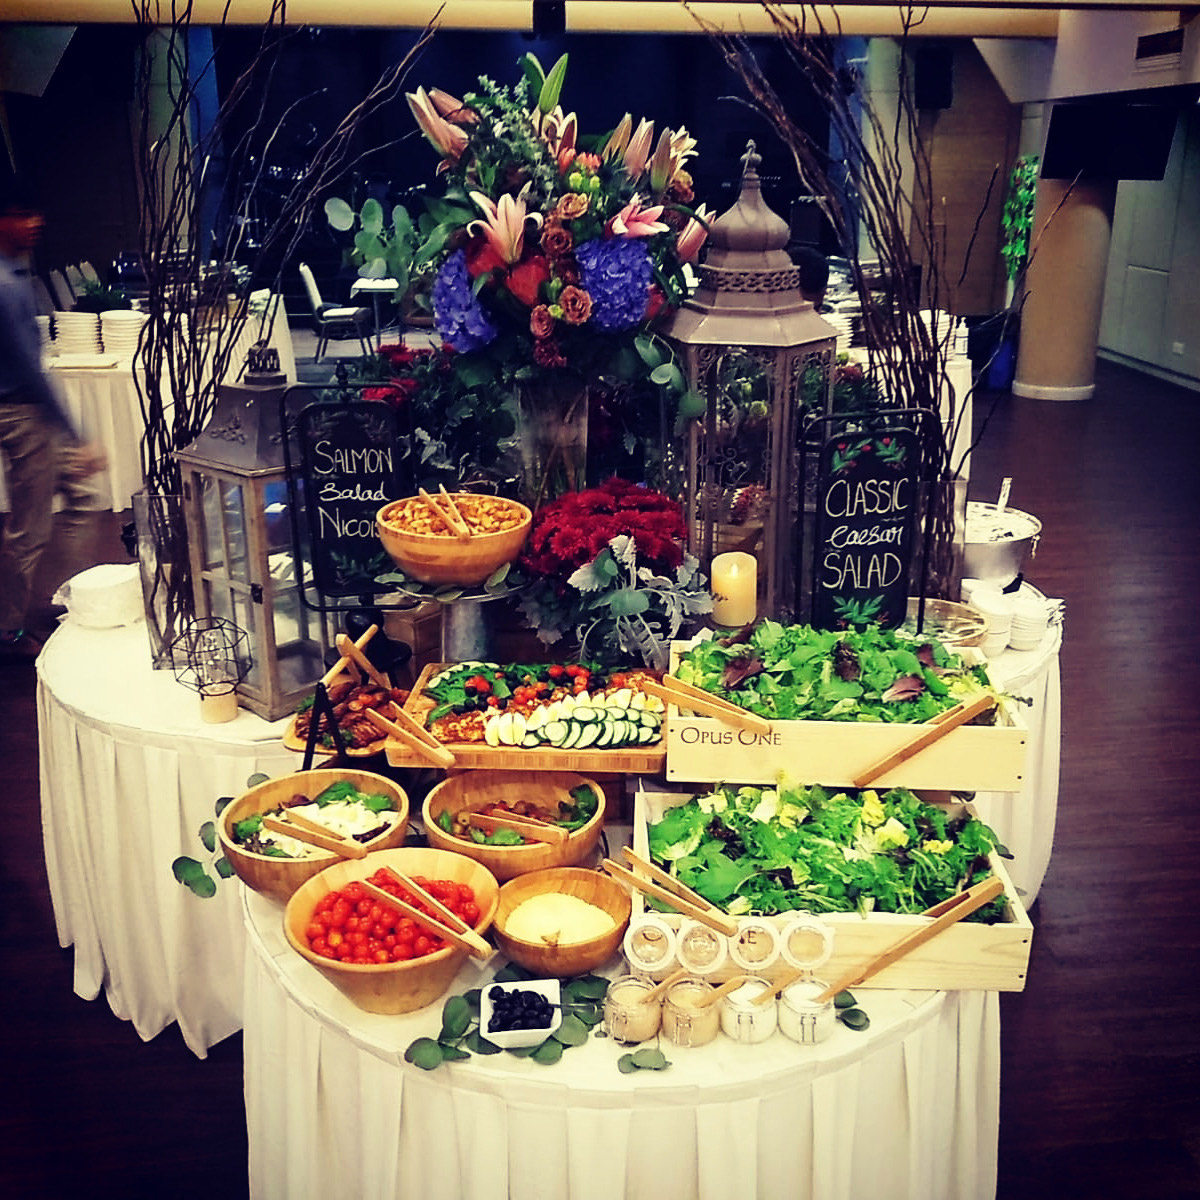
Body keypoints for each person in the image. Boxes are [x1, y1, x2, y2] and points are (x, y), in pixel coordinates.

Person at [0, 178, 106, 660]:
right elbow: (30, 367)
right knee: (30, 530)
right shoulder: (7, 285)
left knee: (80, 500)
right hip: (24, 413)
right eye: (22, 214)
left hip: (25, 409)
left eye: (36, 213)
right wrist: (77, 434)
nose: (35, 222)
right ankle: (8, 631)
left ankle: (68, 598)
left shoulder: (12, 273)